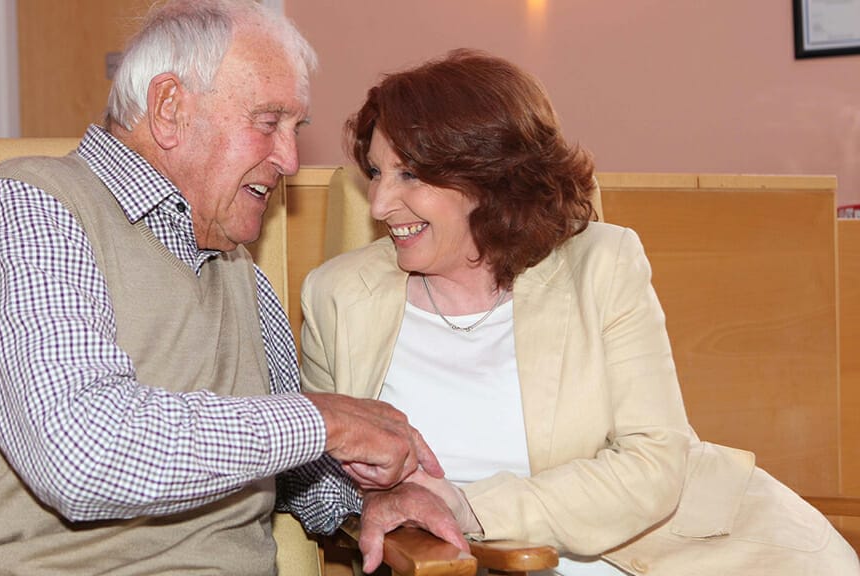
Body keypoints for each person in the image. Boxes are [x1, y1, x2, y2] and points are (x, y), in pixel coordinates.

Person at [0, 2, 466, 574]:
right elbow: (83, 455)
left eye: (295, 129)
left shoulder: (242, 274)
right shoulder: (27, 210)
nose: (289, 160)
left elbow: (293, 468)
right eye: (268, 123)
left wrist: (368, 499)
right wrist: (323, 420)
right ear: (169, 109)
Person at [300, 49, 860, 575]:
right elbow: (319, 477)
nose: (380, 204)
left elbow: (655, 463)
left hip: (669, 555)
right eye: (376, 172)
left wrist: (471, 506)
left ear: (489, 177)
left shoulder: (603, 265)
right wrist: (376, 502)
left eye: (409, 175)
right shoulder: (338, 297)